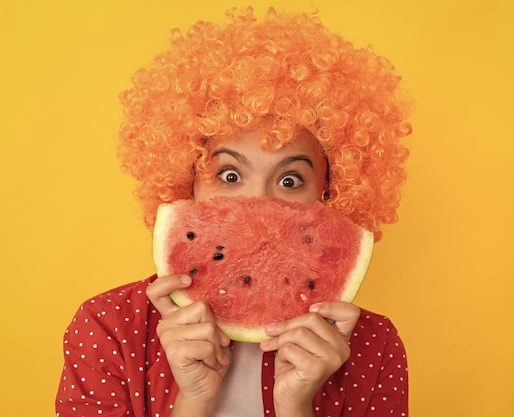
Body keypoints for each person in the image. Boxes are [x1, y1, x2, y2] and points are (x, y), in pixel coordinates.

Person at [56, 7, 412, 417]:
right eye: (228, 175)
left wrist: (296, 405)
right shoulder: (109, 327)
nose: (256, 206)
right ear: (184, 179)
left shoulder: (373, 345)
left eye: (290, 180)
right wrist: (194, 401)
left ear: (329, 194)